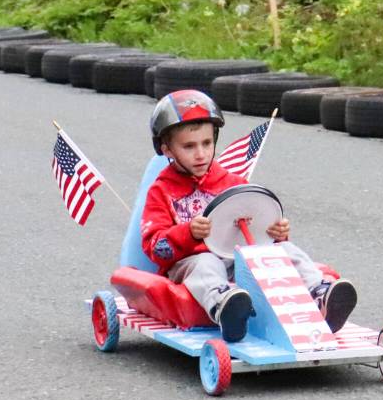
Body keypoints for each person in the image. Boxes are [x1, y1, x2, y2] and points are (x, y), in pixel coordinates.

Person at [141, 89, 357, 342]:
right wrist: (187, 233)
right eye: (189, 146)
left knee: (284, 250)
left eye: (207, 143)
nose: (200, 154)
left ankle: (320, 295)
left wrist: (275, 232)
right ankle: (226, 307)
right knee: (206, 265)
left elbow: (254, 226)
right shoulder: (161, 190)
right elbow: (155, 247)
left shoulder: (232, 182)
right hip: (191, 262)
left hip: (238, 256)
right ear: (167, 149)